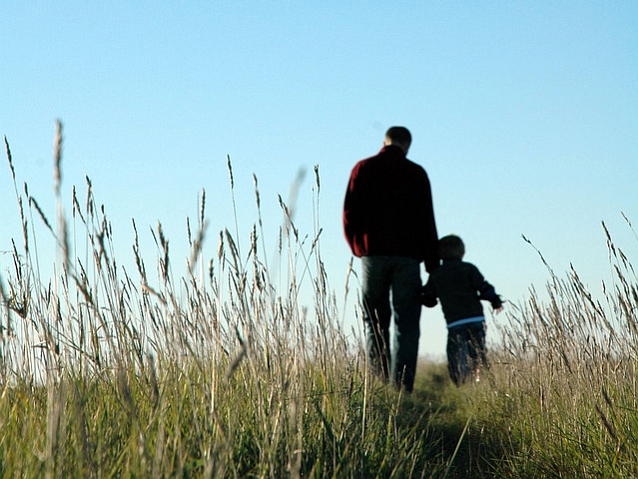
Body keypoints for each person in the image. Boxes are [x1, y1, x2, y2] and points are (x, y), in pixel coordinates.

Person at [343, 126, 439, 393]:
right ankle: (402, 389)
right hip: (408, 259)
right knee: (406, 324)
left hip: (372, 256)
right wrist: (433, 267)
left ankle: (380, 385)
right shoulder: (416, 173)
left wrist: (358, 247)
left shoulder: (363, 168)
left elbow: (349, 213)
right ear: (407, 145)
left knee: (375, 322)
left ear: (384, 141)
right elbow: (426, 221)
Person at [421, 235, 503, 385]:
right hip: (476, 319)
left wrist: (420, 294)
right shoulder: (469, 268)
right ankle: (481, 381)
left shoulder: (437, 274)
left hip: (455, 323)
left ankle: (461, 383)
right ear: (462, 252)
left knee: (456, 355)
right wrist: (495, 300)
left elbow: (429, 300)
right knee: (478, 352)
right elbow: (484, 288)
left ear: (440, 254)